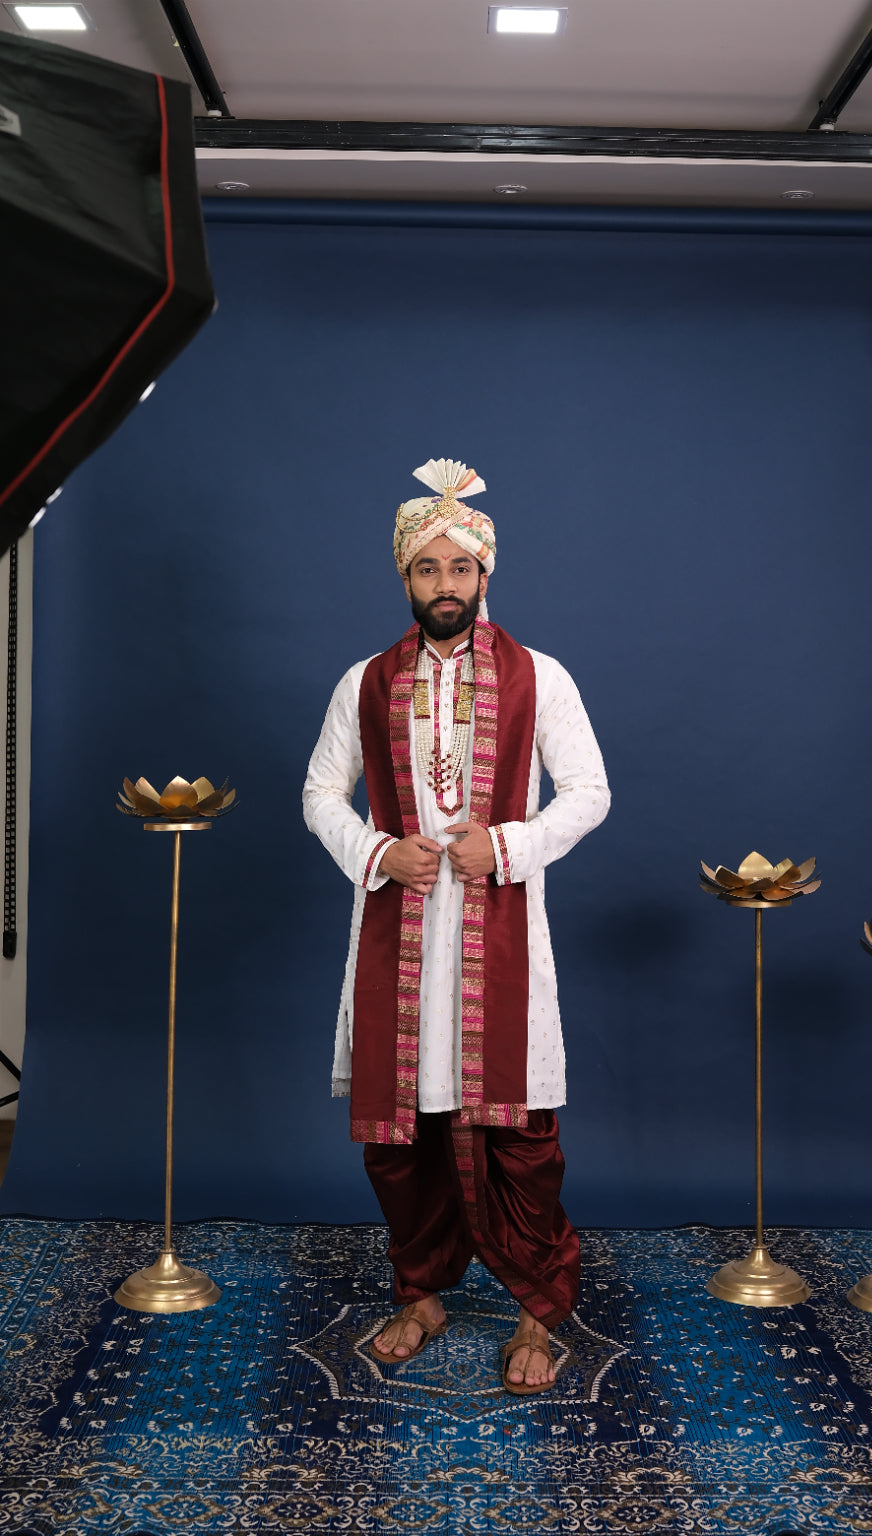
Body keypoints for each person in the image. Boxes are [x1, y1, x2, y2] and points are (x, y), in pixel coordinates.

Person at [302, 458, 609, 1394]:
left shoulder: (537, 677)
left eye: (461, 568)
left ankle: (537, 1311)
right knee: (400, 1141)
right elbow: (319, 793)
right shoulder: (362, 682)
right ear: (404, 576)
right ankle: (422, 1292)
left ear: (486, 574)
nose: (447, 585)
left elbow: (590, 793)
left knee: (520, 1132)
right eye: (427, 568)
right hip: (397, 936)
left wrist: (508, 847)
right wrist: (375, 853)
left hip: (501, 933)